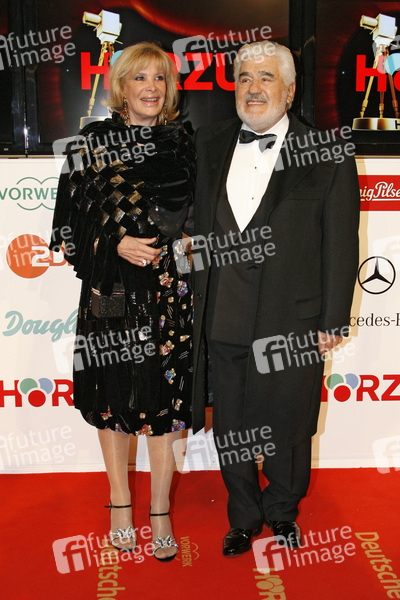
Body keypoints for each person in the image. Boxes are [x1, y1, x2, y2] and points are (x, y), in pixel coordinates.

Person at [190, 41, 360, 556]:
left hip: (294, 315)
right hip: (223, 310)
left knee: (288, 418)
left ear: (289, 91)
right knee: (232, 424)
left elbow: (341, 241)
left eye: (266, 78)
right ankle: (242, 516)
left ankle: (283, 509)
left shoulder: (327, 151)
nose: (253, 88)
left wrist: (333, 318)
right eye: (244, 78)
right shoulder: (209, 142)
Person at [50, 42, 195, 561]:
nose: (151, 88)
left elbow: (203, 213)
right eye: (140, 78)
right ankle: (119, 502)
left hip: (170, 291)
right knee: (113, 395)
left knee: (166, 403)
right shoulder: (91, 144)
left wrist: (190, 244)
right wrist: (114, 244)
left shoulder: (185, 143)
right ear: (121, 86)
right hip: (111, 290)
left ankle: (160, 508)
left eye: (159, 78)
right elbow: (69, 224)